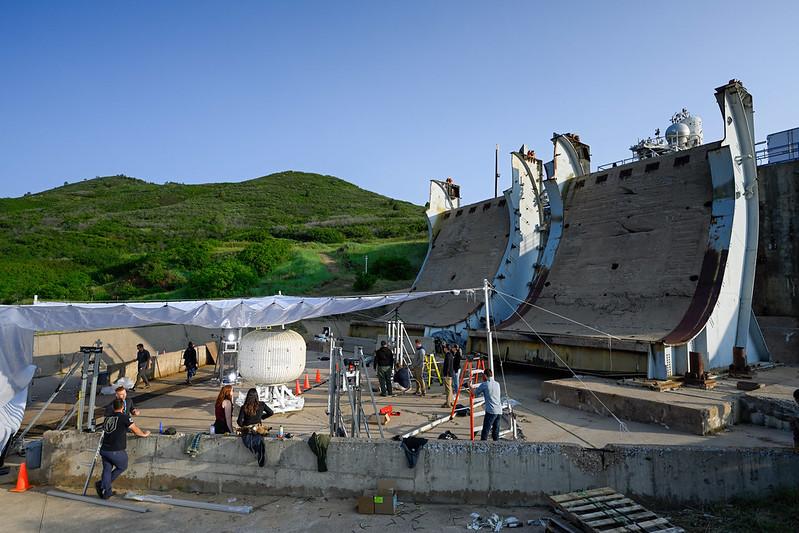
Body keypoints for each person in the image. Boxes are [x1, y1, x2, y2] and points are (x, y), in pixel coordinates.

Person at [95, 398, 150, 499]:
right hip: (115, 450)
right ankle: (102, 484)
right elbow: (135, 429)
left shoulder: (108, 418)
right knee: (122, 466)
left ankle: (106, 492)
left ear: (113, 407)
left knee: (107, 469)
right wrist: (144, 434)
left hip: (104, 449)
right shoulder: (124, 417)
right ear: (123, 407)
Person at [237, 388, 274, 467]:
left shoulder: (244, 407)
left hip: (248, 430)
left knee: (247, 438)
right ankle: (260, 451)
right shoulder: (262, 404)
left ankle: (257, 450)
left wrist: (245, 425)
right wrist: (261, 417)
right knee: (260, 437)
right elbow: (271, 412)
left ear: (248, 396)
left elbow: (239, 422)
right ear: (257, 396)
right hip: (258, 429)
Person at [471, 368, 503, 441]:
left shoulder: (485, 384)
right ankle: (496, 446)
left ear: (485, 376)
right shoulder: (497, 384)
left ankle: (483, 446)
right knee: (495, 431)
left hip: (491, 411)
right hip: (499, 411)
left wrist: (470, 386)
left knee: (485, 430)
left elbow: (474, 393)